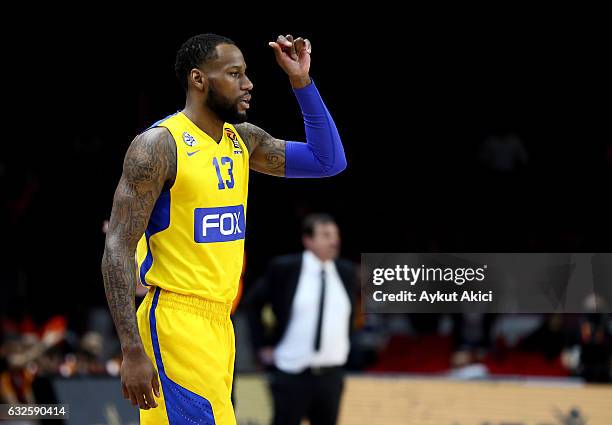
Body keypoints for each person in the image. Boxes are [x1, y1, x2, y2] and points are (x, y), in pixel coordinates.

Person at [101, 33, 346, 425]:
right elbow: (116, 248)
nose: (248, 84)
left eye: (246, 74)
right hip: (176, 318)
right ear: (199, 79)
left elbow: (328, 160)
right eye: (234, 74)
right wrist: (130, 349)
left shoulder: (242, 141)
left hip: (220, 321)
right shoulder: (159, 147)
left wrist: (302, 81)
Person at [245, 214, 357, 425]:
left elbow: (350, 318)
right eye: (325, 234)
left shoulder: (346, 272)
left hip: (331, 375)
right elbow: (252, 303)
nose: (334, 240)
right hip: (291, 372)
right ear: (308, 240)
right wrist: (262, 346)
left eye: (335, 234)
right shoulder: (285, 268)